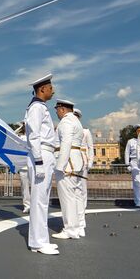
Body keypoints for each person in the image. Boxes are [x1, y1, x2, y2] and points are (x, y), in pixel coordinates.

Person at [24, 74, 59, 255]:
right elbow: (34, 136)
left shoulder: (41, 107)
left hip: (46, 154)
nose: (53, 90)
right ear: (42, 89)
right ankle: (37, 242)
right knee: (39, 201)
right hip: (41, 155)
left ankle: (42, 239)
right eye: (50, 87)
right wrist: (38, 161)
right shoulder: (36, 108)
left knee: (43, 200)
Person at [52, 99, 84, 239]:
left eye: (57, 110)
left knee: (67, 198)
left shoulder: (65, 122)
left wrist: (60, 165)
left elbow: (66, 143)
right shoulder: (76, 121)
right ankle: (77, 227)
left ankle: (70, 229)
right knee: (76, 196)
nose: (57, 113)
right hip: (75, 161)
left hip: (67, 163)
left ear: (62, 109)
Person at [73, 108, 93, 237]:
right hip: (72, 160)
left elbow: (90, 147)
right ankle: (75, 209)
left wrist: (90, 162)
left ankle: (83, 207)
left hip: (83, 159)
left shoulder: (85, 131)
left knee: (82, 188)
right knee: (73, 186)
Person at [125, 124, 140, 207]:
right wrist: (127, 164)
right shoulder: (131, 141)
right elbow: (127, 152)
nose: (139, 132)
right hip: (135, 162)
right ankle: (138, 201)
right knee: (137, 183)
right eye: (138, 131)